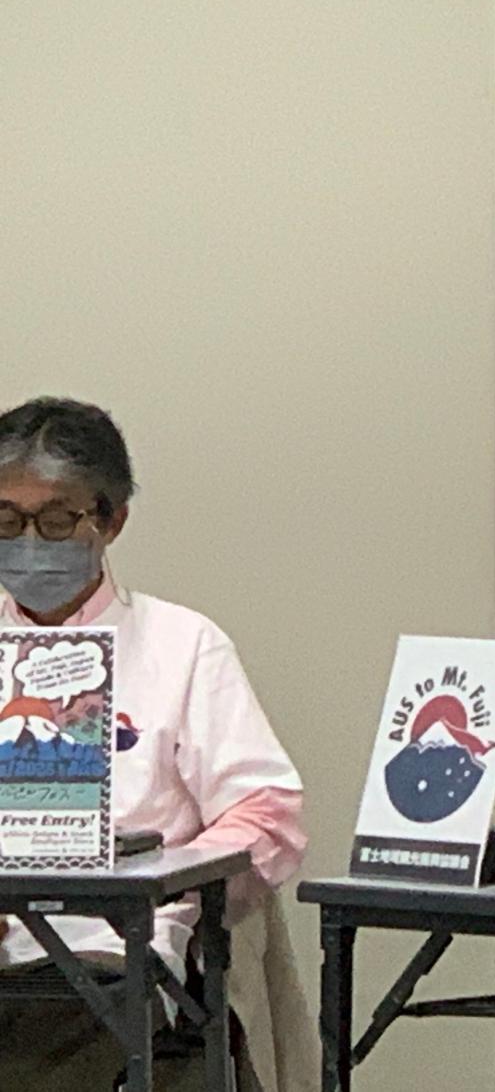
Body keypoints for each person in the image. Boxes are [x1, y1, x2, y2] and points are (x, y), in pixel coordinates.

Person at [0, 398, 306, 1088]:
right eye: (6, 520)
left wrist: (166, 883)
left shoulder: (183, 645)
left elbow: (269, 816)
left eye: (56, 520)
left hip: (110, 955)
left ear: (111, 521)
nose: (28, 541)